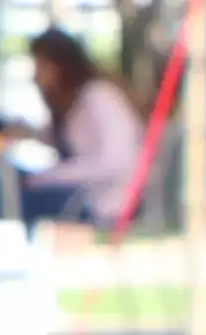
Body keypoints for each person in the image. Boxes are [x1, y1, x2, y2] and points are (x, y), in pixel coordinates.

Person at [12, 28, 145, 228]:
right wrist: (26, 133)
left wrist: (50, 177)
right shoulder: (74, 105)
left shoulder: (100, 97)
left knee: (26, 198)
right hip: (86, 199)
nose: (37, 77)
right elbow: (65, 137)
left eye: (42, 67)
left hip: (107, 206)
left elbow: (116, 162)